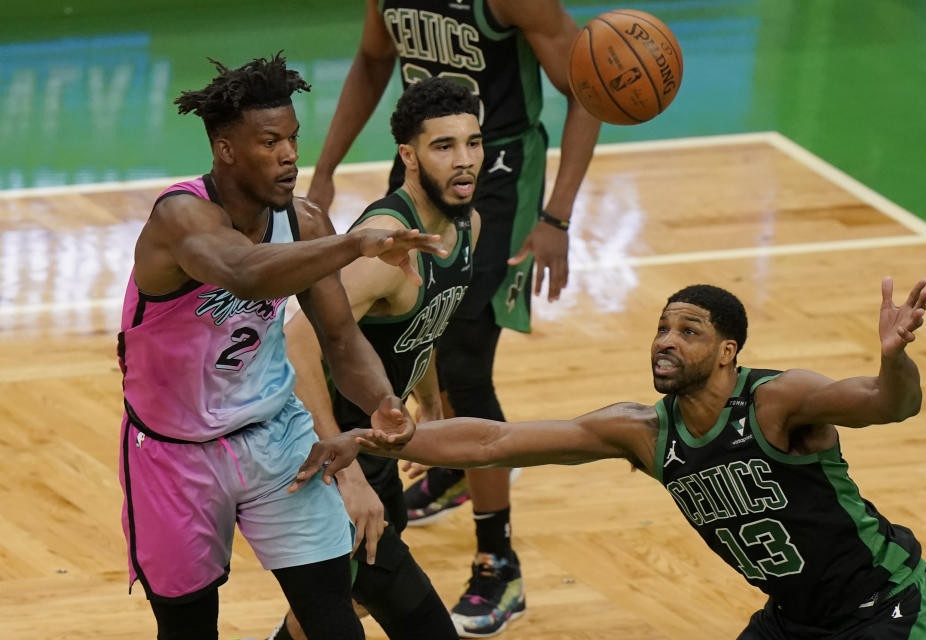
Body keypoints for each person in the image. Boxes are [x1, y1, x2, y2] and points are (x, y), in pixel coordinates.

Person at [297, 277, 926, 639]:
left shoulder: (776, 403)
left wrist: (895, 361)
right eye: (663, 328)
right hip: (794, 618)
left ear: (728, 352)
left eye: (688, 331)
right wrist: (386, 438)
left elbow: (884, 405)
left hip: (888, 606)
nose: (666, 341)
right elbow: (496, 441)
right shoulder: (642, 432)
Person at [116, 53, 448, 640]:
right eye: (270, 142)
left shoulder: (306, 223)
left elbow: (341, 338)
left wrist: (381, 400)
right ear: (226, 150)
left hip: (276, 436)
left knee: (333, 621)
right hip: (175, 453)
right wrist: (353, 246)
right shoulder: (181, 217)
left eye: (293, 138)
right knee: (189, 630)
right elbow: (243, 272)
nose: (290, 154)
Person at [306, 1, 601, 634]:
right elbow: (370, 61)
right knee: (405, 311)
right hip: (426, 158)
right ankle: (449, 463)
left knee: (467, 362)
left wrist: (556, 216)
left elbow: (588, 90)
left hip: (498, 178)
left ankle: (498, 560)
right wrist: (325, 168)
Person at [270, 77, 481, 640]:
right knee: (411, 617)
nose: (464, 162)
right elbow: (295, 343)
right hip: (326, 450)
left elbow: (424, 325)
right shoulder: (385, 245)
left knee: (348, 599)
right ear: (409, 156)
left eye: (474, 143)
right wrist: (349, 476)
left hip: (375, 446)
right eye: (445, 146)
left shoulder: (466, 225)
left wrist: (432, 406)